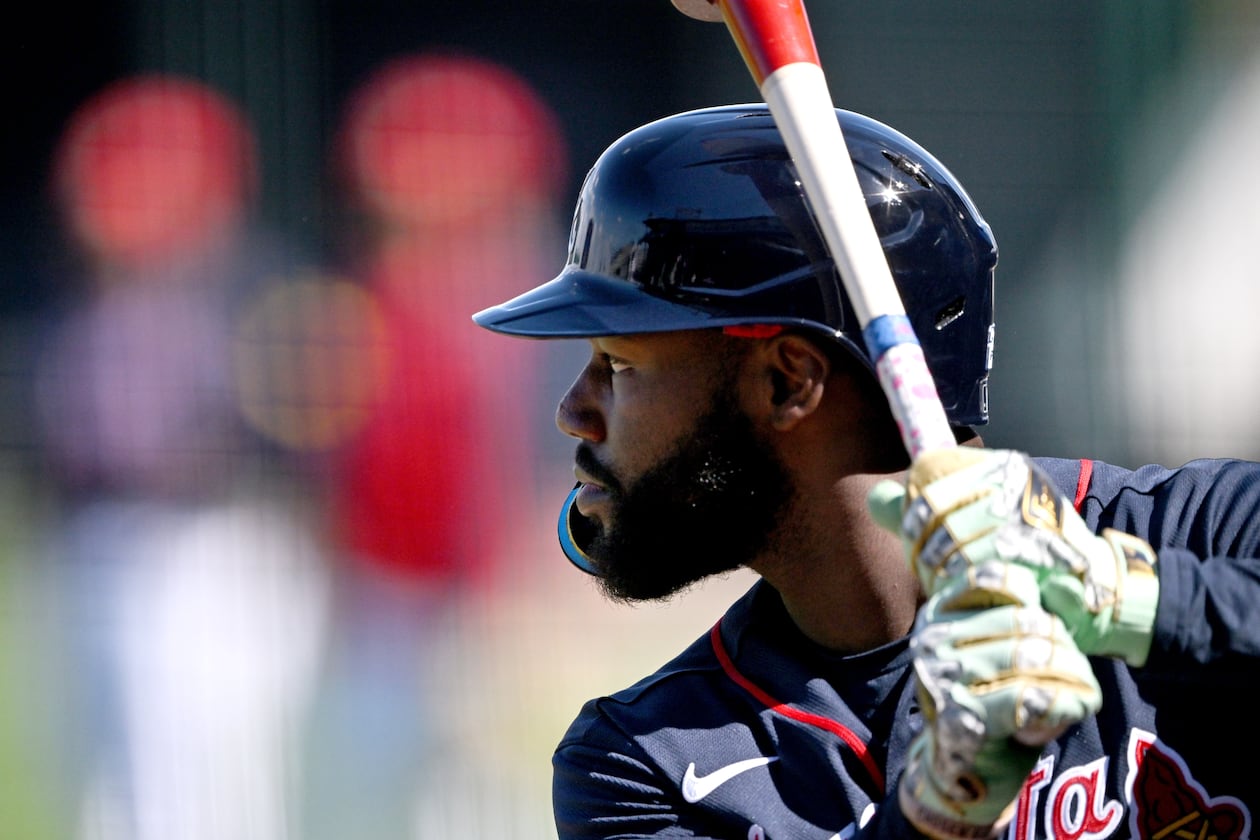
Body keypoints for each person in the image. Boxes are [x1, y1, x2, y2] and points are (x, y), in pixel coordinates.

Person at [472, 103, 1260, 840]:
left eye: (616, 363)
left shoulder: (1198, 528)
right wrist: (930, 815)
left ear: (788, 382)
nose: (571, 411)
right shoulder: (644, 763)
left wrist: (1132, 599)